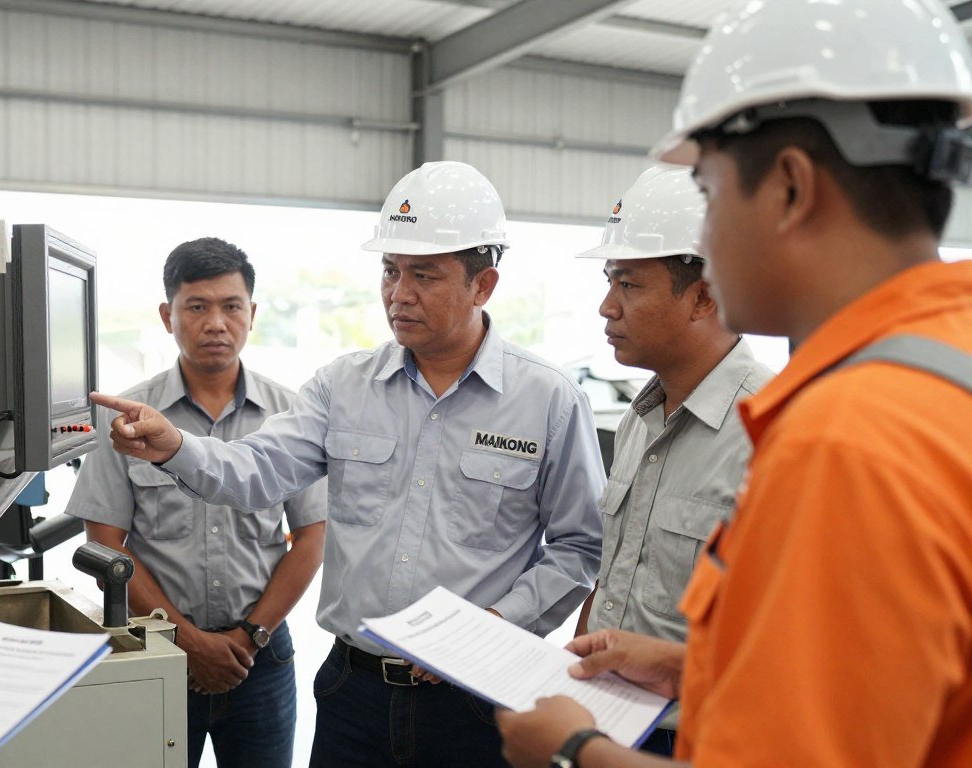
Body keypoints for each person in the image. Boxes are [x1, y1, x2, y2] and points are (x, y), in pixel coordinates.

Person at [494, 1, 972, 766]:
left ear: (789, 187)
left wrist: (573, 746)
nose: (708, 244)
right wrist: (690, 665)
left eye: (710, 196)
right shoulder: (941, 367)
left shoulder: (846, 442)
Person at [95, 160, 606, 767]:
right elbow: (255, 468)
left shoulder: (547, 401)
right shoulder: (344, 387)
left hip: (477, 697)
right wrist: (176, 446)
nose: (399, 293)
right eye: (390, 271)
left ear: (483, 285)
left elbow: (580, 545)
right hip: (352, 691)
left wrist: (494, 623)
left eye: (424, 275)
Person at [68, 237, 327, 768]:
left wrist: (251, 636)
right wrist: (186, 641)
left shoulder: (292, 416)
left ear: (252, 314)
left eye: (231, 306)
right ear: (168, 316)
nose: (216, 323)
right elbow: (105, 543)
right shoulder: (126, 420)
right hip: (158, 650)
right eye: (197, 306)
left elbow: (312, 537)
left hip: (261, 658)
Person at [571, 165, 773, 756]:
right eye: (610, 282)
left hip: (702, 738)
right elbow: (618, 567)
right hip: (607, 719)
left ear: (702, 297)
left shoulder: (771, 431)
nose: (607, 307)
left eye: (629, 285)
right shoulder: (641, 416)